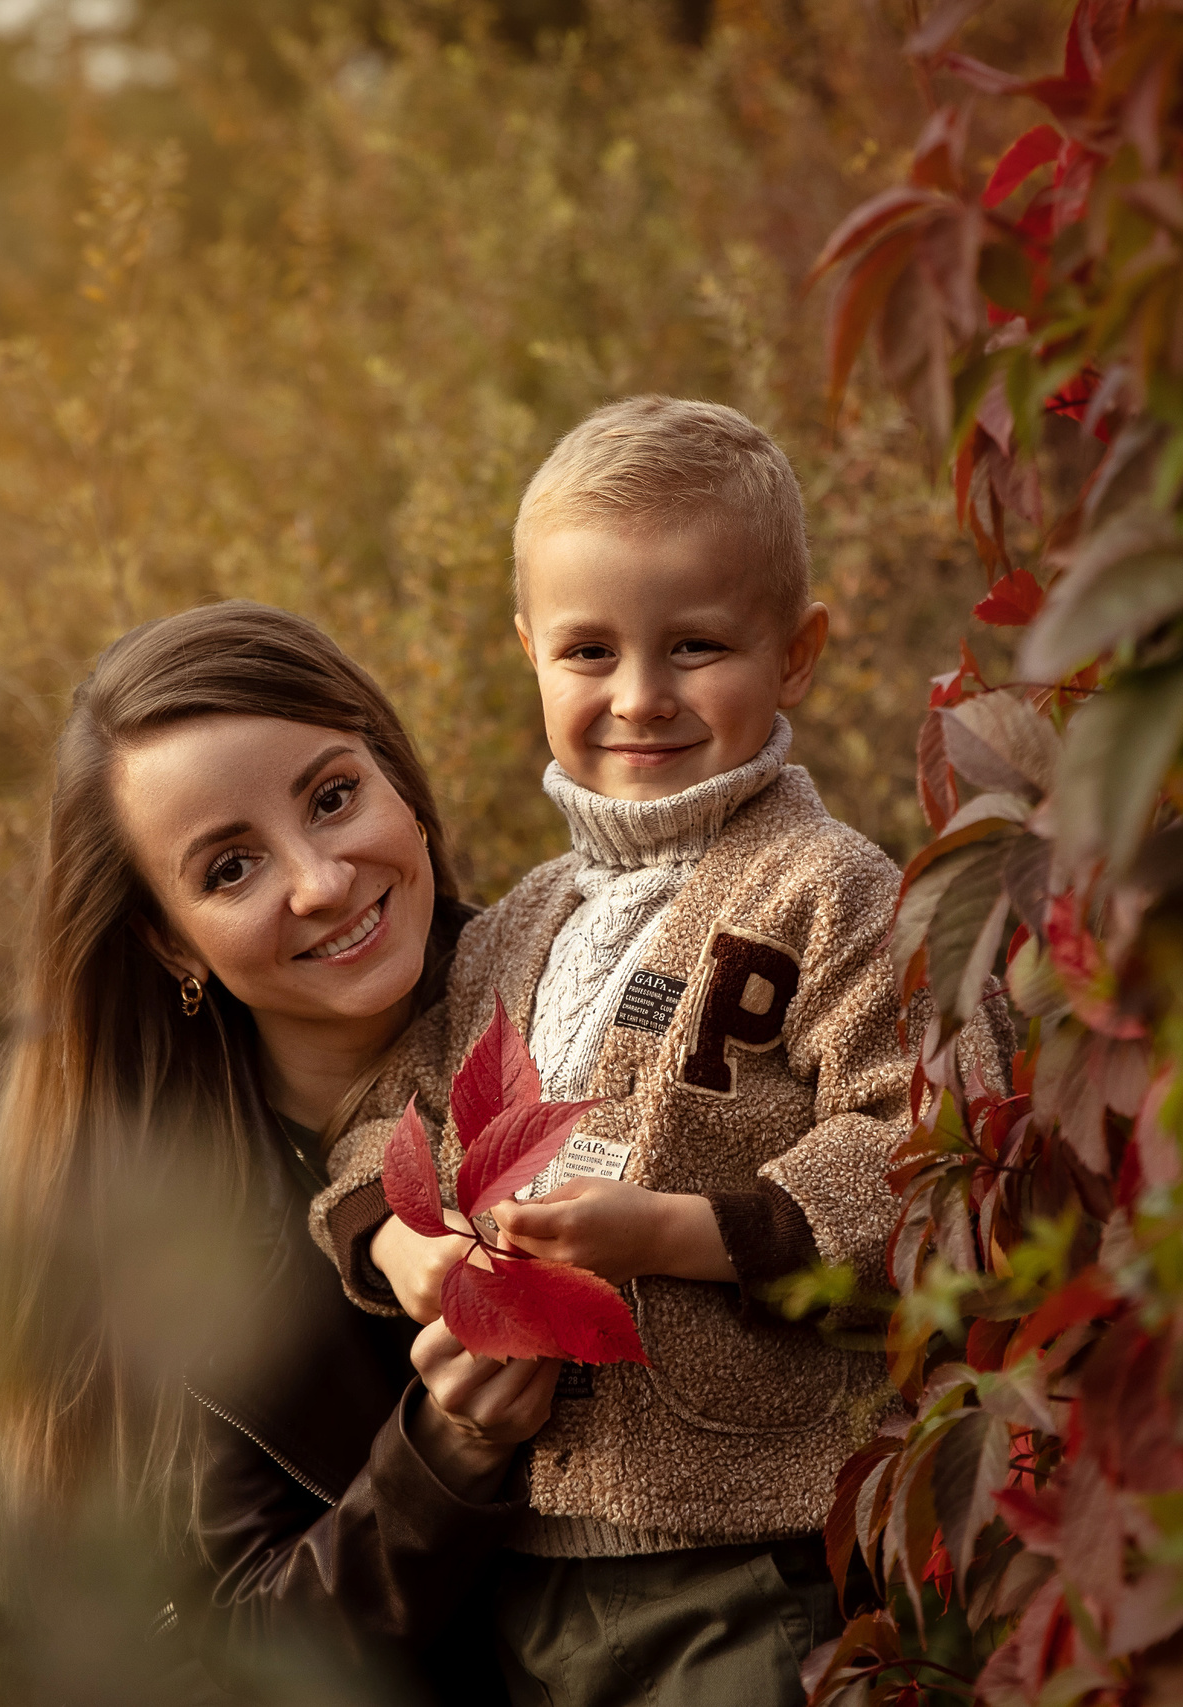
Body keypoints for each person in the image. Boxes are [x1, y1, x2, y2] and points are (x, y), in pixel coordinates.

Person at [308, 396, 915, 1706]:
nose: (641, 696)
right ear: (529, 650)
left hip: (746, 1547)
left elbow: (908, 1147)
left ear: (798, 651)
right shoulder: (513, 930)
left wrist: (668, 1231)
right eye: (589, 650)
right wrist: (405, 1243)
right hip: (528, 1552)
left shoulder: (829, 890)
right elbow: (376, 1128)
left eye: (697, 645)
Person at [0, 602, 556, 1702]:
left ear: (397, 781)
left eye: (333, 798)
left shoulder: (604, 1004)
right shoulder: (172, 1256)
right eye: (228, 870)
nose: (321, 882)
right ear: (164, 938)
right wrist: (444, 1460)